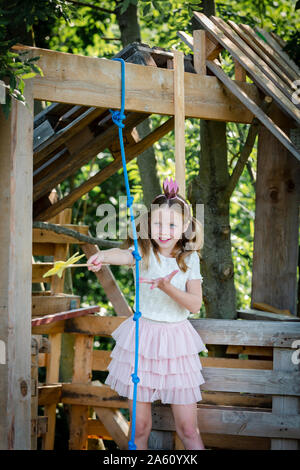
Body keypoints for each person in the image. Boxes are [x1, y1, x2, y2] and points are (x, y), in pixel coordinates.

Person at [87, 177, 207, 450]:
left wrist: (166, 286)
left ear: (185, 227)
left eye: (172, 225)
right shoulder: (143, 251)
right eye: (158, 224)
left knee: (188, 428)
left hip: (177, 343)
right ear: (147, 225)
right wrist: (101, 258)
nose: (164, 231)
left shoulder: (189, 257)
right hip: (143, 341)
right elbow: (121, 255)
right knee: (139, 429)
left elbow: (194, 304)